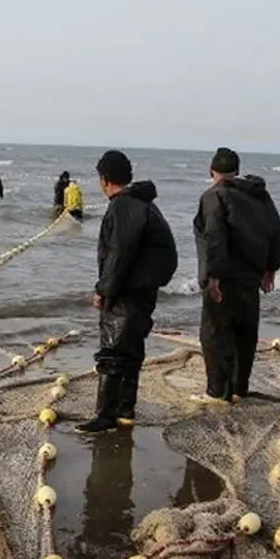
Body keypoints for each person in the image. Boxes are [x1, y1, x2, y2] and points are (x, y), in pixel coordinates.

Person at [77, 150, 178, 434]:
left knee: (112, 350)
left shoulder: (122, 206)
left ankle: (105, 415)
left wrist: (103, 289)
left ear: (105, 179)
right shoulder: (145, 204)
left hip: (127, 291)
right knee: (131, 349)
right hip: (143, 290)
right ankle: (124, 410)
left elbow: (119, 254)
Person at [193, 147, 280, 404]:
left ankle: (217, 392)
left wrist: (212, 277)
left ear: (211, 171)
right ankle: (238, 390)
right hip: (251, 278)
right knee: (244, 335)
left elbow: (214, 237)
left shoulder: (214, 196)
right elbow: (277, 233)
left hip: (224, 279)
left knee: (215, 334)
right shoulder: (259, 196)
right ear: (237, 172)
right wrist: (270, 269)